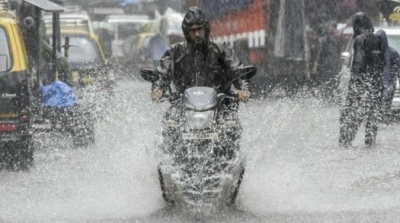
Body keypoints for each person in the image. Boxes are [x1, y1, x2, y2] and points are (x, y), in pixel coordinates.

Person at [150, 6, 252, 154]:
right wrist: (158, 89)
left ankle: (232, 162)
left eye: (200, 29)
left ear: (206, 30)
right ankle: (168, 162)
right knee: (170, 123)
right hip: (183, 105)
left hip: (219, 105)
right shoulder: (175, 52)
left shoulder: (221, 50)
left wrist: (244, 89)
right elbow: (161, 74)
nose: (197, 34)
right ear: (187, 33)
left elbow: (238, 71)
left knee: (230, 126)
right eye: (193, 30)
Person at [339, 12, 385, 147]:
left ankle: (345, 143)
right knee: (372, 116)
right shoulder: (378, 39)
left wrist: (354, 85)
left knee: (350, 114)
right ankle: (370, 144)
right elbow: (382, 61)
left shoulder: (360, 40)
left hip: (361, 84)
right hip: (376, 83)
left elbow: (359, 62)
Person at [312, 20, 342, 99]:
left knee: (332, 81)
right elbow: (318, 53)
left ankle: (331, 96)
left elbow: (339, 51)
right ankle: (327, 96)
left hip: (332, 63)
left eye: (331, 26)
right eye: (330, 26)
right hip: (326, 63)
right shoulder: (324, 39)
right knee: (327, 80)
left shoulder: (336, 38)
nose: (330, 28)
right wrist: (315, 65)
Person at [376, 29, 400, 124]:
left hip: (389, 84)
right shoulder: (373, 53)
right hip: (376, 83)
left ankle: (384, 121)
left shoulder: (392, 53)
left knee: (385, 105)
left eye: (379, 39)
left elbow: (399, 68)